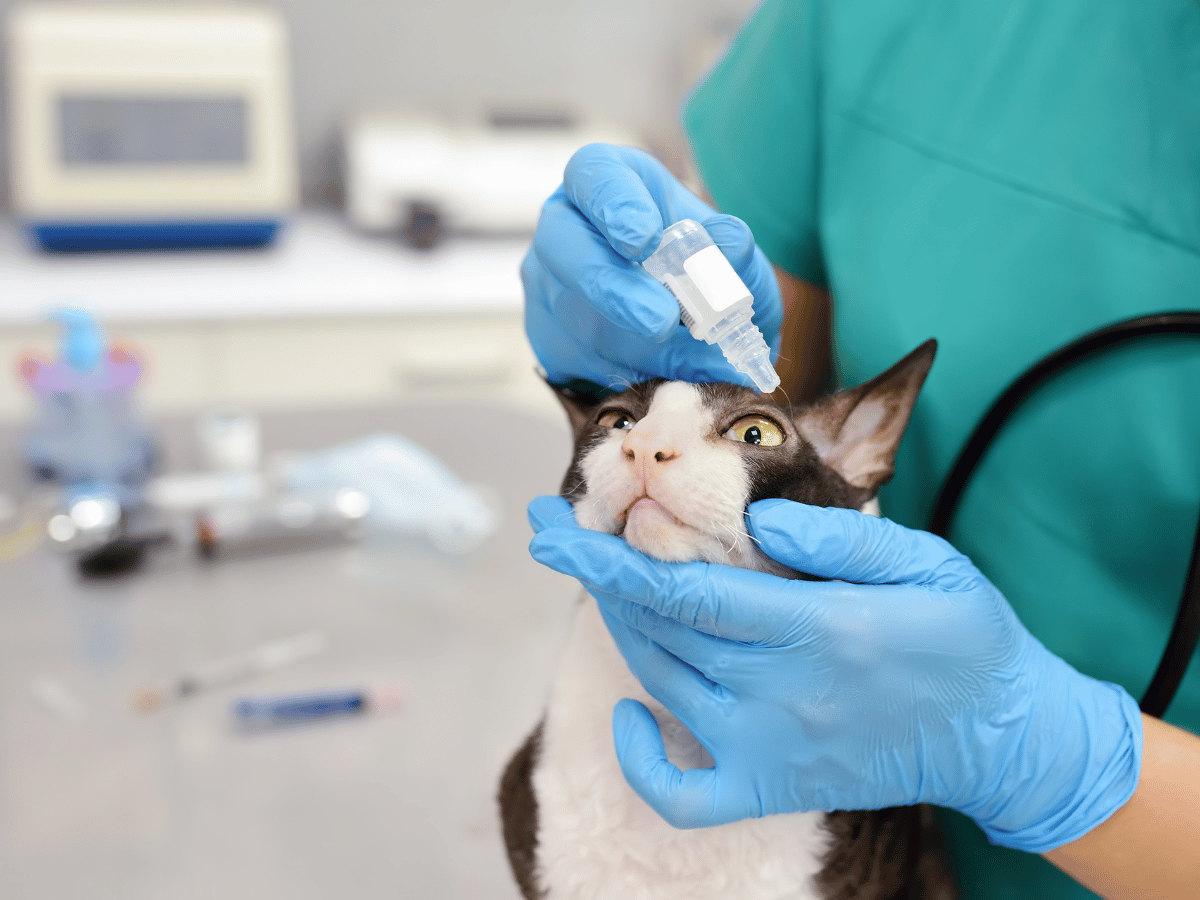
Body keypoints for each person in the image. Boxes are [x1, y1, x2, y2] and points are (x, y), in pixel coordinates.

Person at [520, 2, 1200, 899]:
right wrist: (627, 341)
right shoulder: (856, 18)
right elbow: (738, 361)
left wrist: (1047, 755)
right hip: (811, 780)